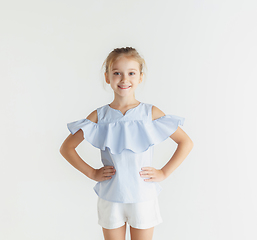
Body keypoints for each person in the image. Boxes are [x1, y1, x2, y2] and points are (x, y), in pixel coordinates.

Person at [60, 47, 194, 240]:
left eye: (131, 73)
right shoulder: (100, 116)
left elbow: (185, 142)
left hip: (143, 195)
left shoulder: (150, 113)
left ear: (140, 77)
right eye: (117, 73)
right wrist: (92, 172)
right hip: (111, 196)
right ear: (107, 77)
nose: (124, 79)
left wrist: (164, 172)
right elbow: (67, 148)